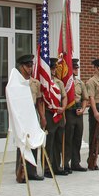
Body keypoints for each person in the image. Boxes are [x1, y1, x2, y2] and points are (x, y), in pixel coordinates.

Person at [13, 54, 45, 182]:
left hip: (32, 114)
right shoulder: (16, 82)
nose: (30, 68)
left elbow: (39, 101)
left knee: (34, 142)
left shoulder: (35, 83)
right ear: (21, 67)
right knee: (22, 143)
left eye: (31, 65)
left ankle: (32, 172)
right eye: (27, 66)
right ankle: (20, 172)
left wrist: (42, 116)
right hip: (21, 115)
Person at [63, 58, 88, 172]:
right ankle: (66, 163)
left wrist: (83, 109)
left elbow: (85, 98)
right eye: (74, 68)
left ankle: (75, 162)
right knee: (68, 139)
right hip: (69, 112)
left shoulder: (80, 83)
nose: (77, 69)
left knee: (78, 138)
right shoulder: (65, 83)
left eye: (77, 68)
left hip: (78, 113)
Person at [44, 57, 67, 178]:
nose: (53, 70)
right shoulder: (44, 83)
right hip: (49, 113)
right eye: (51, 68)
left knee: (59, 141)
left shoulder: (59, 82)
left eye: (54, 68)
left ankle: (57, 167)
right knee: (49, 142)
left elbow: (64, 97)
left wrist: (63, 108)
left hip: (59, 113)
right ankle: (47, 168)